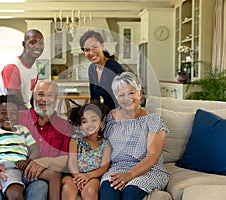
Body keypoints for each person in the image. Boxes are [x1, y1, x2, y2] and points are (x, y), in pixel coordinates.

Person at [0, 80, 73, 200]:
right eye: (40, 94)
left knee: (40, 187)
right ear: (34, 97)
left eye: (50, 95)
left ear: (56, 99)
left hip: (36, 178)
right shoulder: (17, 116)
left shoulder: (64, 126)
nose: (44, 99)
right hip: (6, 170)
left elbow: (67, 160)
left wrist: (46, 161)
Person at [99, 72, 170, 200]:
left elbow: (153, 157)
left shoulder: (153, 120)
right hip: (117, 168)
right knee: (109, 191)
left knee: (130, 192)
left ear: (140, 93)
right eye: (121, 95)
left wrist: (129, 175)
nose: (127, 98)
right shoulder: (109, 119)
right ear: (116, 98)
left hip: (148, 170)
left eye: (131, 92)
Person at [61, 100, 112, 200]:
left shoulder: (105, 144)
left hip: (93, 176)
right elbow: (72, 161)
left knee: (90, 191)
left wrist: (88, 176)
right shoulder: (76, 140)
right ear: (80, 126)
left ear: (101, 123)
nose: (89, 124)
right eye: (85, 121)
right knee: (67, 188)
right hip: (74, 175)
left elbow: (104, 167)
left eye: (93, 120)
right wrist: (78, 177)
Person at [0, 29, 44, 109]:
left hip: (24, 111)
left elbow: (31, 97)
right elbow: (16, 103)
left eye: (40, 43)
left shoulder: (35, 67)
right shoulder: (12, 68)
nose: (37, 46)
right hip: (8, 114)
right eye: (32, 42)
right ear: (24, 44)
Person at [79, 30, 125, 111]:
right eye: (87, 50)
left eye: (95, 47)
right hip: (106, 112)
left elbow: (125, 97)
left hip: (120, 113)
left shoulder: (114, 68)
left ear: (102, 46)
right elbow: (94, 99)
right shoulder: (92, 69)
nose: (91, 52)